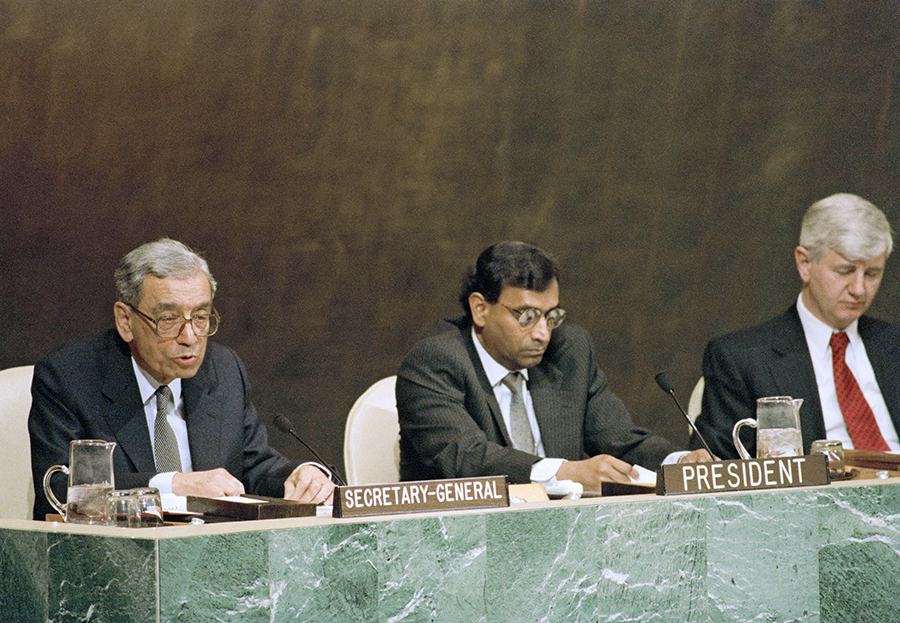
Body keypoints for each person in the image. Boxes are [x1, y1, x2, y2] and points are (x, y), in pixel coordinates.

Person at [29, 238, 335, 520]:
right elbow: (60, 488)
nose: (189, 337)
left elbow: (253, 466)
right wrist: (174, 485)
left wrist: (301, 475)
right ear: (126, 321)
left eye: (200, 318)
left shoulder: (223, 370)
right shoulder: (69, 377)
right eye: (168, 319)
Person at [396, 241, 711, 492]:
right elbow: (466, 457)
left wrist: (679, 462)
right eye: (526, 316)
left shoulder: (568, 352)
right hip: (467, 546)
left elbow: (621, 439)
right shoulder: (435, 361)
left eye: (551, 316)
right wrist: (567, 471)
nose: (542, 333)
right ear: (480, 309)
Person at [693, 193, 900, 459]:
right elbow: (715, 462)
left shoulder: (892, 345)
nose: (859, 289)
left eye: (872, 273)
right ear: (805, 264)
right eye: (845, 271)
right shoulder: (742, 359)